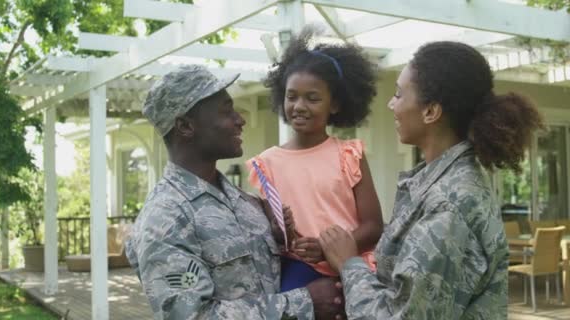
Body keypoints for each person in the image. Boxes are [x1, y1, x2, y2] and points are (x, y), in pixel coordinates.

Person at [319, 41, 544, 319]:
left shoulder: (448, 204)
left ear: (431, 112)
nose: (391, 104)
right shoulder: (443, 185)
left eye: (399, 95)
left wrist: (349, 263)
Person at [125, 64, 345, 320]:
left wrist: (278, 236)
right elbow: (194, 316)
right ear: (185, 126)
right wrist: (305, 302)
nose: (240, 120)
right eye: (226, 111)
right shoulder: (164, 219)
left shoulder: (244, 202)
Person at [247, 27, 383, 292]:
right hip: (297, 271)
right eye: (291, 96)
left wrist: (328, 248)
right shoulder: (267, 164)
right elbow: (271, 234)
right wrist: (281, 232)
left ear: (334, 104)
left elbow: (373, 225)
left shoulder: (349, 155)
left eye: (312, 98)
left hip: (351, 265)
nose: (299, 106)